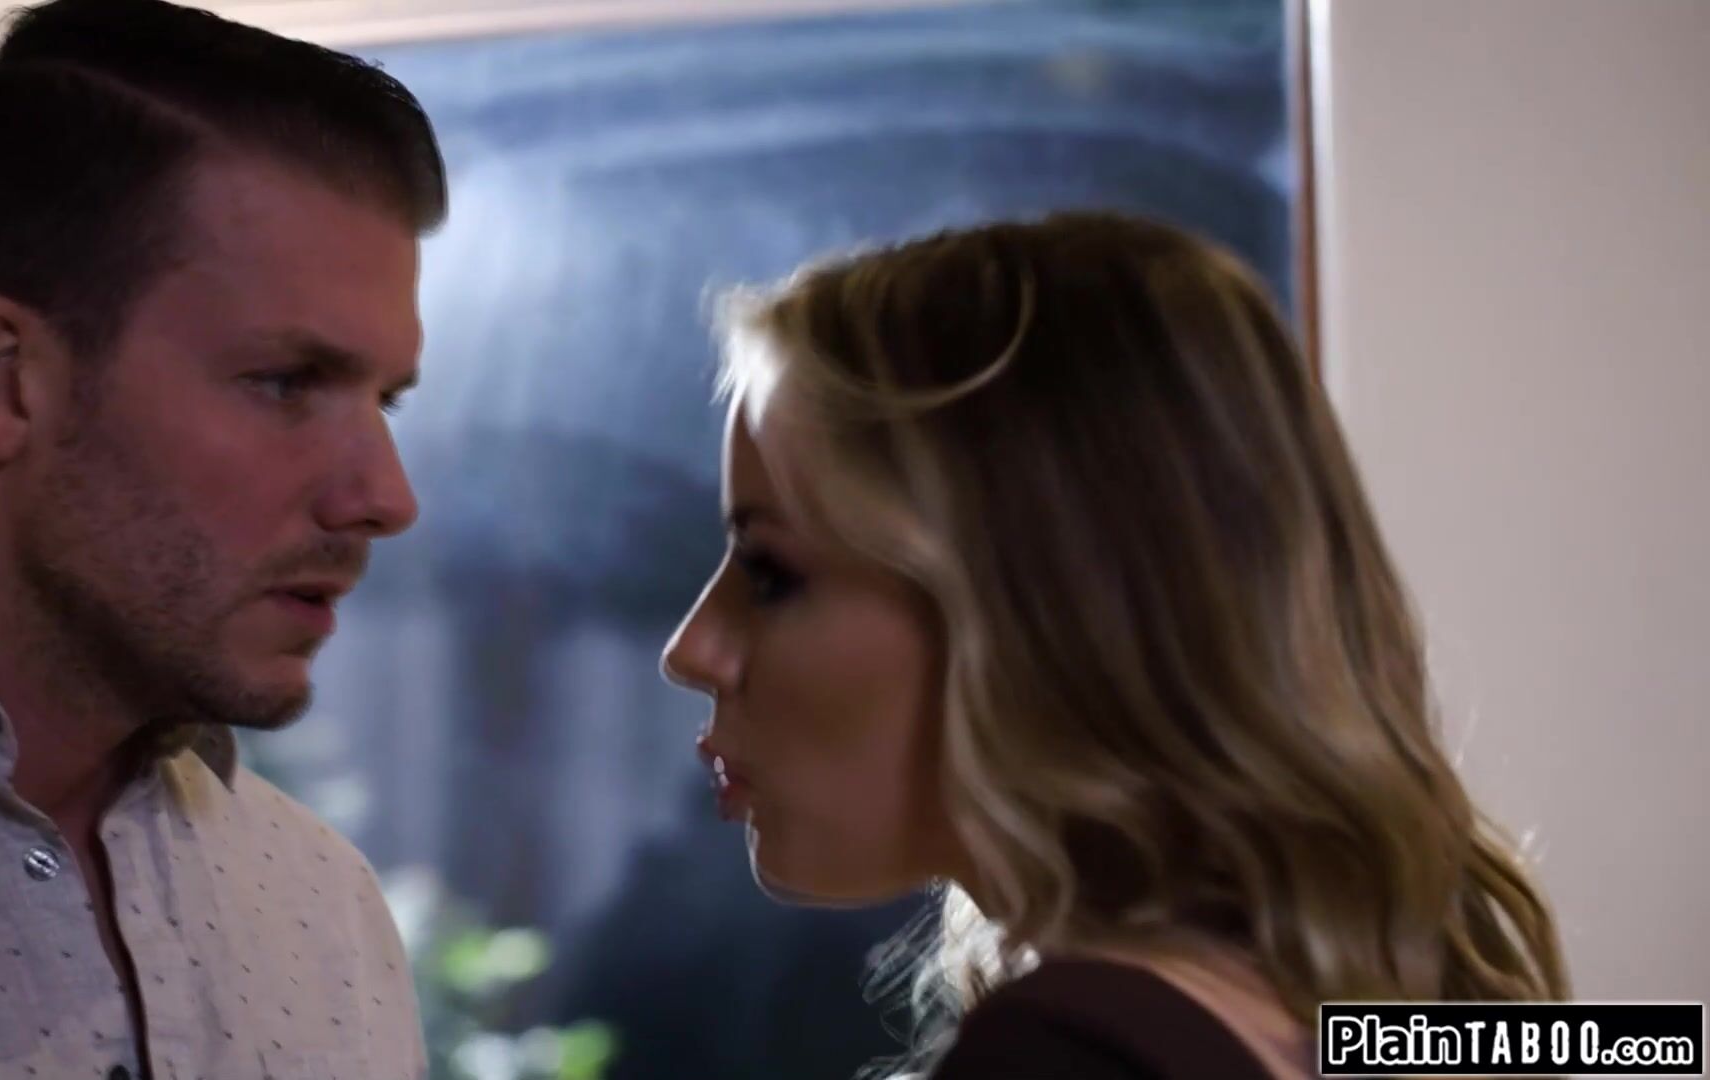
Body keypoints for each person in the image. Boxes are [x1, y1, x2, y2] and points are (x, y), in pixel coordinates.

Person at [661, 211, 1569, 1078]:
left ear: (1038, 606)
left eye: (772, 573)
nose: (691, 650)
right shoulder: (1383, 1025)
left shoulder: (1066, 1056)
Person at [0, 0, 444, 1076]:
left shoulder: (323, 911)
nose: (385, 496)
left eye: (387, 401)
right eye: (285, 382)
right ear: (6, 380)